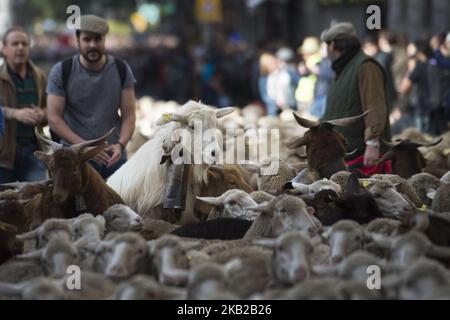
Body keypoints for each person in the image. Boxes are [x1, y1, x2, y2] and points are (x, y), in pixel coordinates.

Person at [46, 15, 136, 179]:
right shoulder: (62, 71)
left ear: (104, 40)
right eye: (87, 39)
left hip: (112, 156)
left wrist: (121, 145)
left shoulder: (121, 69)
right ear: (78, 41)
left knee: (119, 203)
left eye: (97, 39)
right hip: (74, 158)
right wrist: (84, 147)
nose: (92, 45)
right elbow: (53, 118)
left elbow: (129, 115)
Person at [321, 22, 392, 176]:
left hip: (362, 153)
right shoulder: (344, 68)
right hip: (345, 153)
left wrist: (372, 144)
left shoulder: (366, 66)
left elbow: (375, 105)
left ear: (332, 45)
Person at [0, 27, 48, 183]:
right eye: (15, 44)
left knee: (35, 201)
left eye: (24, 44)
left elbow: (51, 110)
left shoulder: (39, 76)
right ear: (4, 48)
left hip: (34, 152)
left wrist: (42, 114)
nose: (20, 47)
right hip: (4, 155)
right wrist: (14, 113)